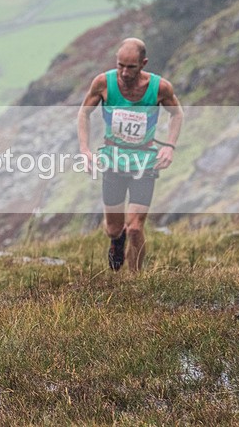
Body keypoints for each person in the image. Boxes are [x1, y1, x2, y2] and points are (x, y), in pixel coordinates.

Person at [77, 38, 183, 272]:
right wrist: (84, 149)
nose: (124, 72)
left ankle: (135, 279)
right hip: (113, 161)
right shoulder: (103, 83)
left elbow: (177, 114)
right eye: (120, 65)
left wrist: (170, 146)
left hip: (144, 162)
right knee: (113, 228)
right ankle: (117, 240)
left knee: (135, 227)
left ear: (143, 63)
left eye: (131, 67)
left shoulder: (160, 88)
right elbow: (84, 113)